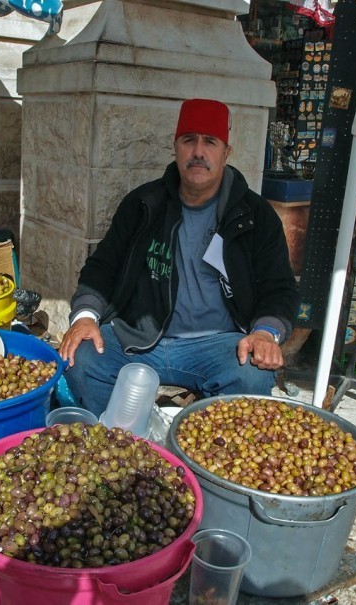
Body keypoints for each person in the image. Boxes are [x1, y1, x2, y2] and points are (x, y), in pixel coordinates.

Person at [59, 98, 300, 416]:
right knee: (81, 357)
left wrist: (265, 333)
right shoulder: (143, 204)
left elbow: (279, 288)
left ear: (226, 153)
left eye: (210, 142)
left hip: (218, 344)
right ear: (175, 147)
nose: (198, 152)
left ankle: (203, 445)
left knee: (251, 376)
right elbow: (102, 267)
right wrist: (85, 318)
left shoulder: (255, 215)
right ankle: (117, 439)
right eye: (189, 140)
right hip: (139, 337)